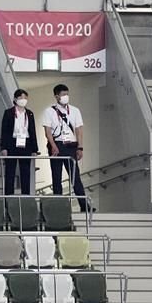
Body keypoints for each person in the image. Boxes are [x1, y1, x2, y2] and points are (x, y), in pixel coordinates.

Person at [42, 84, 90, 212]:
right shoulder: (49, 111)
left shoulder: (75, 110)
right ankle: (59, 208)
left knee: (75, 177)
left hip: (71, 146)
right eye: (63, 95)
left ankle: (84, 205)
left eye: (67, 94)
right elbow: (47, 131)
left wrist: (80, 147)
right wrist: (53, 146)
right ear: (56, 96)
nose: (65, 97)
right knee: (56, 176)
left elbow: (79, 129)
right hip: (56, 144)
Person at [0, 88, 39, 195]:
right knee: (10, 172)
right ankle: (8, 197)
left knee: (26, 172)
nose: (23, 100)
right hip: (12, 143)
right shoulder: (9, 113)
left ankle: (26, 196)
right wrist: (3, 147)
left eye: (25, 98)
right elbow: (4, 131)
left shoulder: (29, 114)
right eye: (21, 97)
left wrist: (35, 149)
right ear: (15, 99)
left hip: (26, 144)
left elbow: (32, 131)